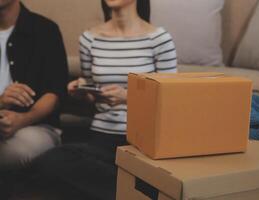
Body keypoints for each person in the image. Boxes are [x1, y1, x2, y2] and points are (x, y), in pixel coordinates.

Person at [33, 0, 177, 199]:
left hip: (142, 143)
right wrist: (82, 90)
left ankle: (133, 185)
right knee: (49, 161)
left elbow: (172, 100)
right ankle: (133, 189)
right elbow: (93, 93)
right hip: (101, 138)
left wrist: (128, 97)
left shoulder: (159, 39)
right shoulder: (89, 39)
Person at [0, 0, 68, 171]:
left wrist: (22, 119)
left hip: (36, 126)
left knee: (18, 150)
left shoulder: (45, 30)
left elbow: (55, 93)